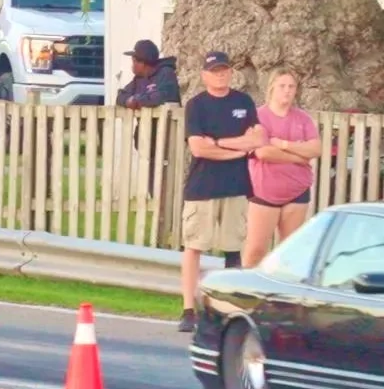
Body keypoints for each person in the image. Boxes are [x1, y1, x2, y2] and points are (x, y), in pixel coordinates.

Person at [179, 52, 259, 333]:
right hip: (203, 186)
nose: (220, 75)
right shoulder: (196, 106)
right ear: (204, 75)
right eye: (214, 71)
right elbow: (198, 148)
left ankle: (228, 308)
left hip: (236, 185)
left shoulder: (243, 102)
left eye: (224, 70)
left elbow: (258, 138)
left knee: (233, 247)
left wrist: (221, 143)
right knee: (195, 246)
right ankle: (188, 309)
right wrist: (237, 150)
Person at [243, 69, 321, 266]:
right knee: (256, 250)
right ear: (271, 88)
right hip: (264, 191)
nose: (287, 91)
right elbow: (264, 152)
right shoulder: (258, 116)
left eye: (291, 87)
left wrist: (284, 145)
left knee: (290, 251)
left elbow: (315, 148)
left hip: (297, 191)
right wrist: (298, 157)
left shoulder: (303, 118)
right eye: (282, 86)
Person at [115, 39, 180, 109]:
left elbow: (163, 96)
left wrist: (138, 100)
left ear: (142, 63)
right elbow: (120, 96)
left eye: (134, 61)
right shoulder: (138, 79)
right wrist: (127, 101)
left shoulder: (166, 73)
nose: (132, 65)